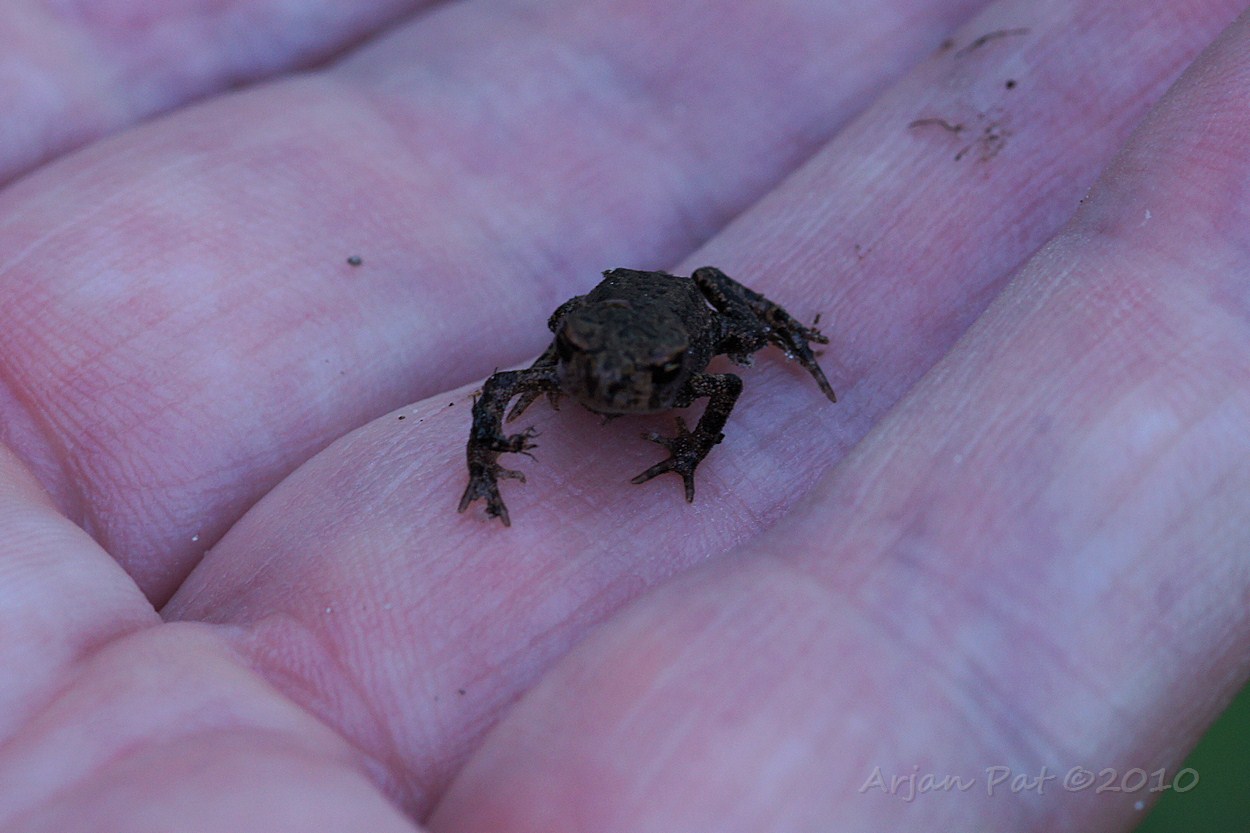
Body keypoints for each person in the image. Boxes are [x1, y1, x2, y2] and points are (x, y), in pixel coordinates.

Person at [0, 1, 1246, 829]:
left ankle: (792, 329)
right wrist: (484, 466)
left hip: (679, 306)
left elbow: (720, 383)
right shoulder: (562, 369)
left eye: (628, 385)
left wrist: (695, 432)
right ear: (574, 351)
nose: (606, 397)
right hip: (620, 305)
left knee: (747, 314)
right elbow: (503, 387)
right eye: (593, 374)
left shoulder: (688, 369)